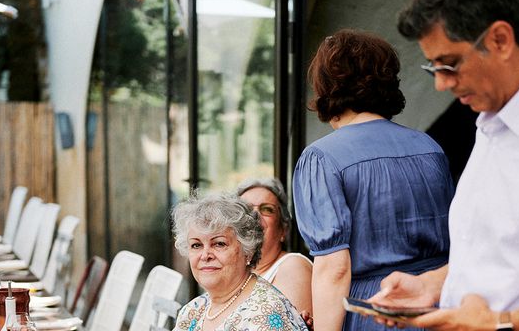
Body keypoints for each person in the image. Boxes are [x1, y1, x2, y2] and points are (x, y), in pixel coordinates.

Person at [369, 0, 519, 330]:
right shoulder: (490, 120)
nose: (441, 84)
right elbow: (509, 256)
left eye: (449, 64)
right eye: (433, 67)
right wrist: (431, 284)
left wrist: (503, 323)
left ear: (499, 39)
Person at [292, 29, 455, 331]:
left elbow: (333, 269)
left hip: (373, 312)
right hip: (437, 307)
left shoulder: (322, 158)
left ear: (326, 86)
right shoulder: (429, 148)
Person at [172, 193, 309, 331]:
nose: (205, 255)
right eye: (196, 245)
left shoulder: (265, 312)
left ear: (247, 250)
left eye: (219, 244)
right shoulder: (192, 311)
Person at [237, 177, 313, 314]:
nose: (255, 215)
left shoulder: (293, 266)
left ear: (283, 229)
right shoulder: (237, 274)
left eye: (267, 209)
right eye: (246, 210)